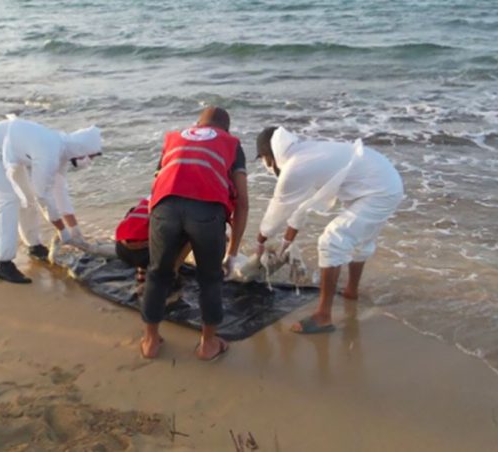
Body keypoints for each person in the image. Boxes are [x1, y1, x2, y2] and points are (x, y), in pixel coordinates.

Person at [254, 126, 403, 334]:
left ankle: (323, 316)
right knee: (360, 240)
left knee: (331, 240)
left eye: (263, 159)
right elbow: (301, 206)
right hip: (382, 181)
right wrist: (286, 243)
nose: (265, 165)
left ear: (268, 155)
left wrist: (260, 241)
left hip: (379, 189)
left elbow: (277, 211)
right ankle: (351, 292)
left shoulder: (294, 166)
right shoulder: (303, 153)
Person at [140, 106, 249, 360]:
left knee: (157, 274)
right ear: (226, 129)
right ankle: (208, 345)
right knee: (209, 279)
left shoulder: (175, 137)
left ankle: (150, 341)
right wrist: (232, 253)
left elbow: (156, 184)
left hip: (164, 207)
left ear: (197, 125)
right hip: (207, 212)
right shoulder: (231, 143)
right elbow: (242, 201)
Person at [0, 117, 102, 284]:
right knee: (7, 200)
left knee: (27, 197)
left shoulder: (62, 150)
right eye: (91, 157)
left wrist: (75, 231)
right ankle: (4, 264)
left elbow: (59, 192)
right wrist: (62, 231)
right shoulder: (50, 152)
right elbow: (43, 195)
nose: (90, 162)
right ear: (81, 151)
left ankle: (34, 246)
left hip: (10, 150)